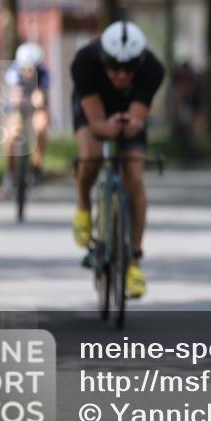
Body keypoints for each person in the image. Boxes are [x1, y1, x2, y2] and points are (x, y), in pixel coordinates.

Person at [70, 20, 165, 298]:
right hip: (94, 108)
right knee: (92, 156)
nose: (121, 75)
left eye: (129, 68)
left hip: (127, 109)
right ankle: (84, 207)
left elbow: (137, 119)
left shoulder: (152, 69)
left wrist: (130, 124)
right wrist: (105, 127)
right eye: (114, 67)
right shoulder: (84, 62)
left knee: (134, 176)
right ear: (103, 59)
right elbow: (97, 124)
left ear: (140, 62)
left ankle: (134, 262)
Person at [2, 42, 51, 194]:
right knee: (11, 135)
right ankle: (10, 173)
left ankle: (37, 168)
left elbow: (41, 99)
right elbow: (15, 97)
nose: (27, 72)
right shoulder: (13, 72)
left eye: (31, 69)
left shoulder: (44, 74)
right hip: (17, 106)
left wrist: (37, 100)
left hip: (36, 108)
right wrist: (25, 99)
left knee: (41, 127)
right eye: (25, 68)